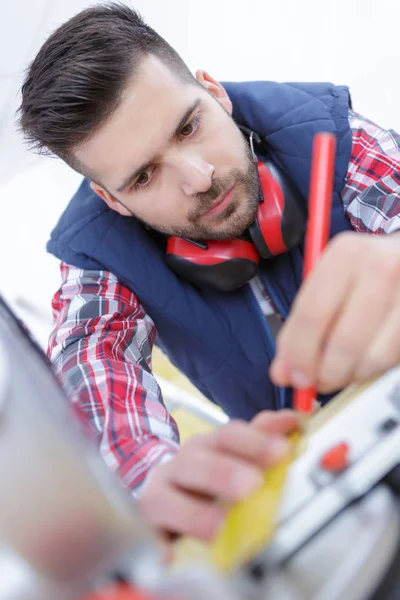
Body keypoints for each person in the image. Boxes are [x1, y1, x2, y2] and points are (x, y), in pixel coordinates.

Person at [18, 2, 400, 545]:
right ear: (111, 199)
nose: (198, 178)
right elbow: (91, 365)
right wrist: (146, 477)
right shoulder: (96, 257)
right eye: (145, 176)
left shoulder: (336, 136)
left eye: (189, 126)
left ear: (214, 91)